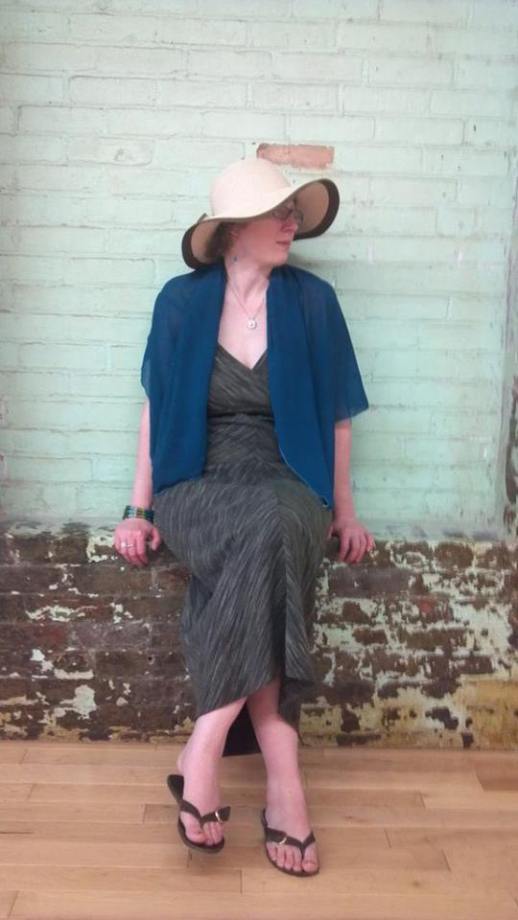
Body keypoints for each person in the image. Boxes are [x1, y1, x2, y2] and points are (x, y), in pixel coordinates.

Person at [113, 157, 374, 877]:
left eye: (294, 212)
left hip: (289, 477)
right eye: (277, 212)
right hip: (197, 479)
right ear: (232, 231)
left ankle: (204, 748)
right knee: (268, 535)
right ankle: (284, 780)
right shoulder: (181, 302)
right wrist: (138, 508)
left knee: (274, 524)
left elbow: (339, 418)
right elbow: (156, 411)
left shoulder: (313, 302)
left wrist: (344, 510)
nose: (292, 223)